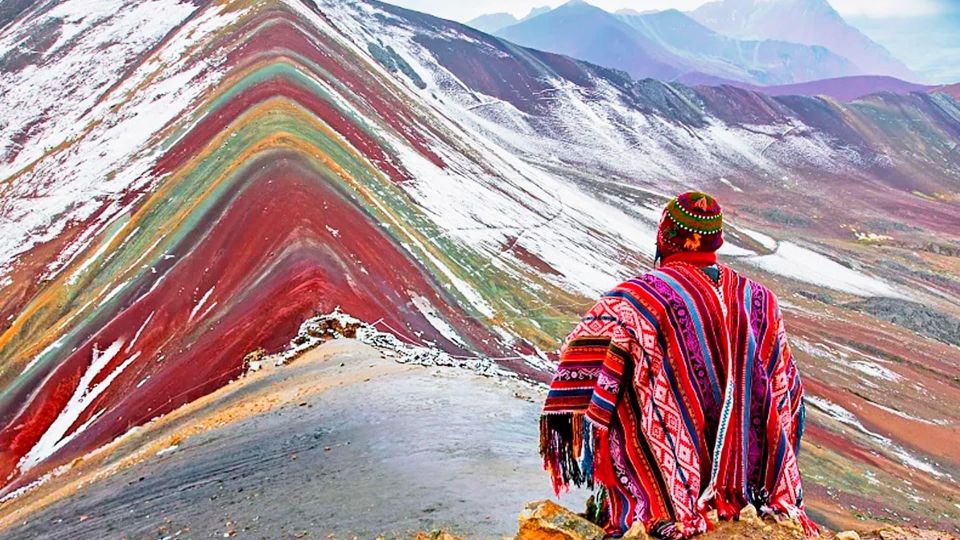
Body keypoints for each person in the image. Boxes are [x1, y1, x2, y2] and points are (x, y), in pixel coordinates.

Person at [540, 192, 815, 539]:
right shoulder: (760, 299)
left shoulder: (638, 298)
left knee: (627, 383)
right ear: (718, 240)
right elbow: (784, 386)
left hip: (671, 482)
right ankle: (736, 490)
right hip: (747, 480)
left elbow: (581, 356)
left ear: (665, 237)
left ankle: (662, 492)